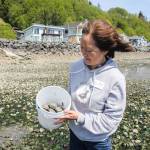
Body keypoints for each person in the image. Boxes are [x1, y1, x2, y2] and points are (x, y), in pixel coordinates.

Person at [55, 20, 134, 150]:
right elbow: (71, 97)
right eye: (82, 48)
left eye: (90, 50)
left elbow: (111, 120)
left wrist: (80, 118)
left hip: (98, 141)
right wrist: (63, 112)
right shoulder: (75, 67)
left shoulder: (115, 78)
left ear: (105, 50)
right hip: (75, 134)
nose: (84, 54)